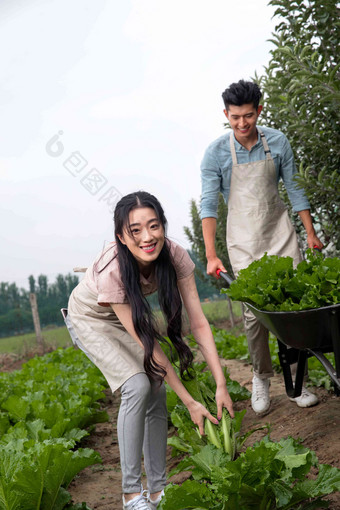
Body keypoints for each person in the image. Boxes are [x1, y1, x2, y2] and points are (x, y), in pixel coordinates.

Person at [66, 191, 234, 510]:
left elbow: (198, 322)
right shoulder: (114, 268)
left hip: (129, 317)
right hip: (91, 318)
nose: (147, 237)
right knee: (138, 385)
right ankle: (131, 495)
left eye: (154, 226)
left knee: (156, 385)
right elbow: (148, 342)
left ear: (163, 227)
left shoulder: (175, 255)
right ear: (121, 236)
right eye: (136, 230)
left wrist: (221, 385)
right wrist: (189, 401)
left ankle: (157, 490)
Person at [200, 79, 323, 416]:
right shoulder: (216, 153)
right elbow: (209, 205)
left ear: (259, 110)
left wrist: (310, 233)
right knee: (255, 315)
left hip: (279, 233)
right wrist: (211, 255)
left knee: (293, 310)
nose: (242, 124)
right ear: (226, 114)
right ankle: (261, 377)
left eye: (249, 116)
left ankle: (298, 384)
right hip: (243, 240)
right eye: (235, 117)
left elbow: (295, 190)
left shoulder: (278, 142)